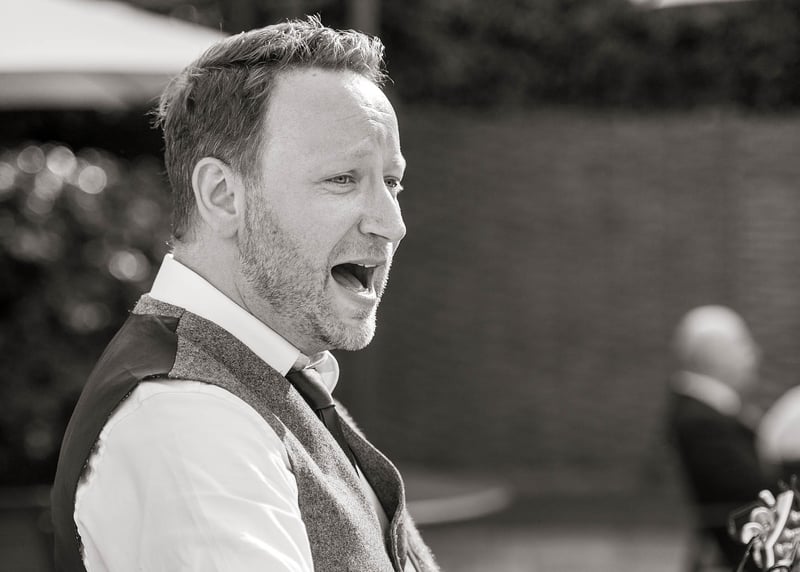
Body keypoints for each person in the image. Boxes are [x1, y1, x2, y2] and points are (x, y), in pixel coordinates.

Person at [51, 17, 438, 572]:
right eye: (343, 179)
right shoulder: (188, 420)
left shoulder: (269, 379)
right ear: (222, 195)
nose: (392, 223)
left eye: (391, 182)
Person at [667, 305, 770, 570]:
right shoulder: (700, 419)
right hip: (745, 549)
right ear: (714, 355)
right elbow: (751, 488)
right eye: (743, 346)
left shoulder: (704, 411)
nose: (755, 355)